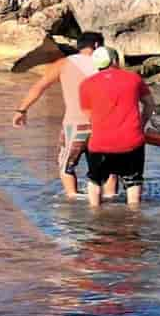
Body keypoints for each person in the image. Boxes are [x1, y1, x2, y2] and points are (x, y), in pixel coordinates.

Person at [12, 32, 116, 198]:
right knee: (108, 168)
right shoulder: (109, 66)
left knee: (66, 165)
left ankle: (72, 198)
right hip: (104, 125)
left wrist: (21, 110)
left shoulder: (63, 64)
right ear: (97, 46)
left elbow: (39, 87)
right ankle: (111, 199)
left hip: (75, 125)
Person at [80, 47, 156, 207]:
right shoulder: (134, 78)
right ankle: (133, 218)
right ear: (115, 61)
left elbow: (88, 115)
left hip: (100, 142)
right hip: (131, 141)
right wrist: (141, 125)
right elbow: (149, 105)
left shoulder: (86, 84)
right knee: (133, 181)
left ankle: (94, 215)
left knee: (95, 180)